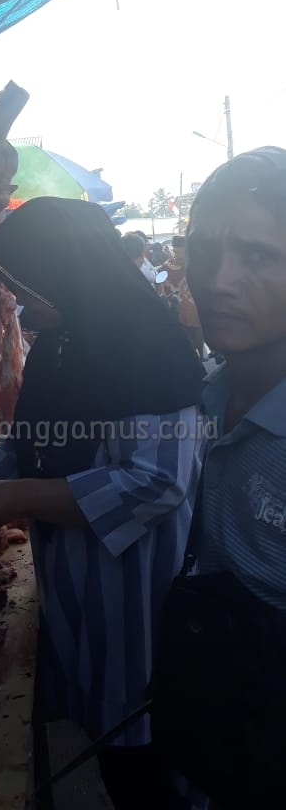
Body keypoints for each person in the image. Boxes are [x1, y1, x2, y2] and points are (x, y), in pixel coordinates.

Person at [0, 198, 204, 810]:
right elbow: (25, 443)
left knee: (142, 751)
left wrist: (13, 497)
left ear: (67, 268)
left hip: (133, 595)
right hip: (73, 581)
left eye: (22, 283)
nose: (14, 299)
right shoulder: (61, 341)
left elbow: (157, 481)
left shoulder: (150, 348)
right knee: (101, 728)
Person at [152, 147, 286, 808]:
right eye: (203, 250)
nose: (217, 280)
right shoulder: (209, 395)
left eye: (257, 256)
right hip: (218, 722)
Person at [165, 237, 204, 358]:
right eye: (174, 251)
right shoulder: (167, 266)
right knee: (185, 336)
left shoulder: (197, 264)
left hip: (196, 307)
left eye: (178, 251)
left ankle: (202, 354)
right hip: (179, 308)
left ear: (185, 250)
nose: (175, 254)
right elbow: (164, 286)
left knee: (198, 334)